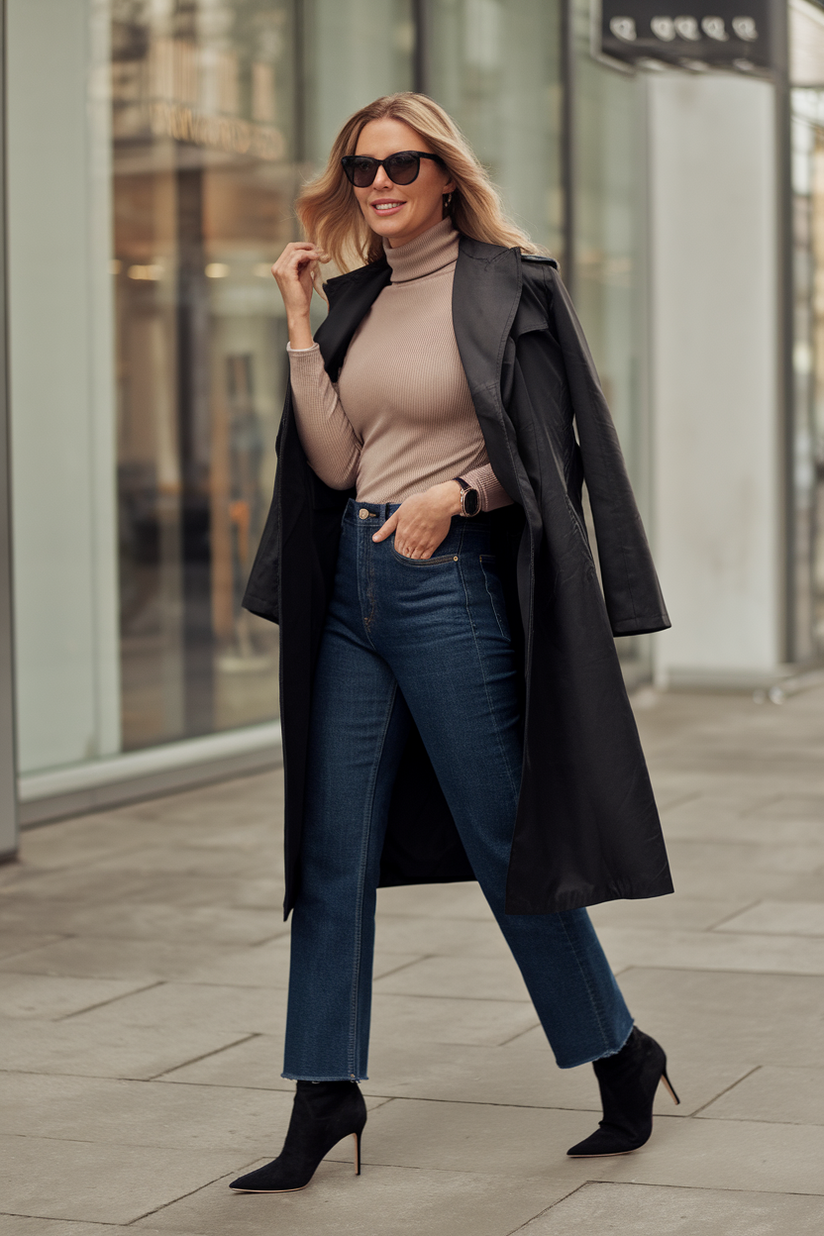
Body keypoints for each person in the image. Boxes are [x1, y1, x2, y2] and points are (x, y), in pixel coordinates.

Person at [232, 93, 677, 1195]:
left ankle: (619, 1052)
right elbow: (336, 467)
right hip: (355, 595)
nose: (377, 185)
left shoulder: (509, 288)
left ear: (442, 173)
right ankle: (322, 1090)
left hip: (450, 590)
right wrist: (296, 324)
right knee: (329, 851)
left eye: (399, 164)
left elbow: (549, 449)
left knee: (500, 841)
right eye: (358, 170)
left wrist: (456, 489)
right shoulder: (351, 302)